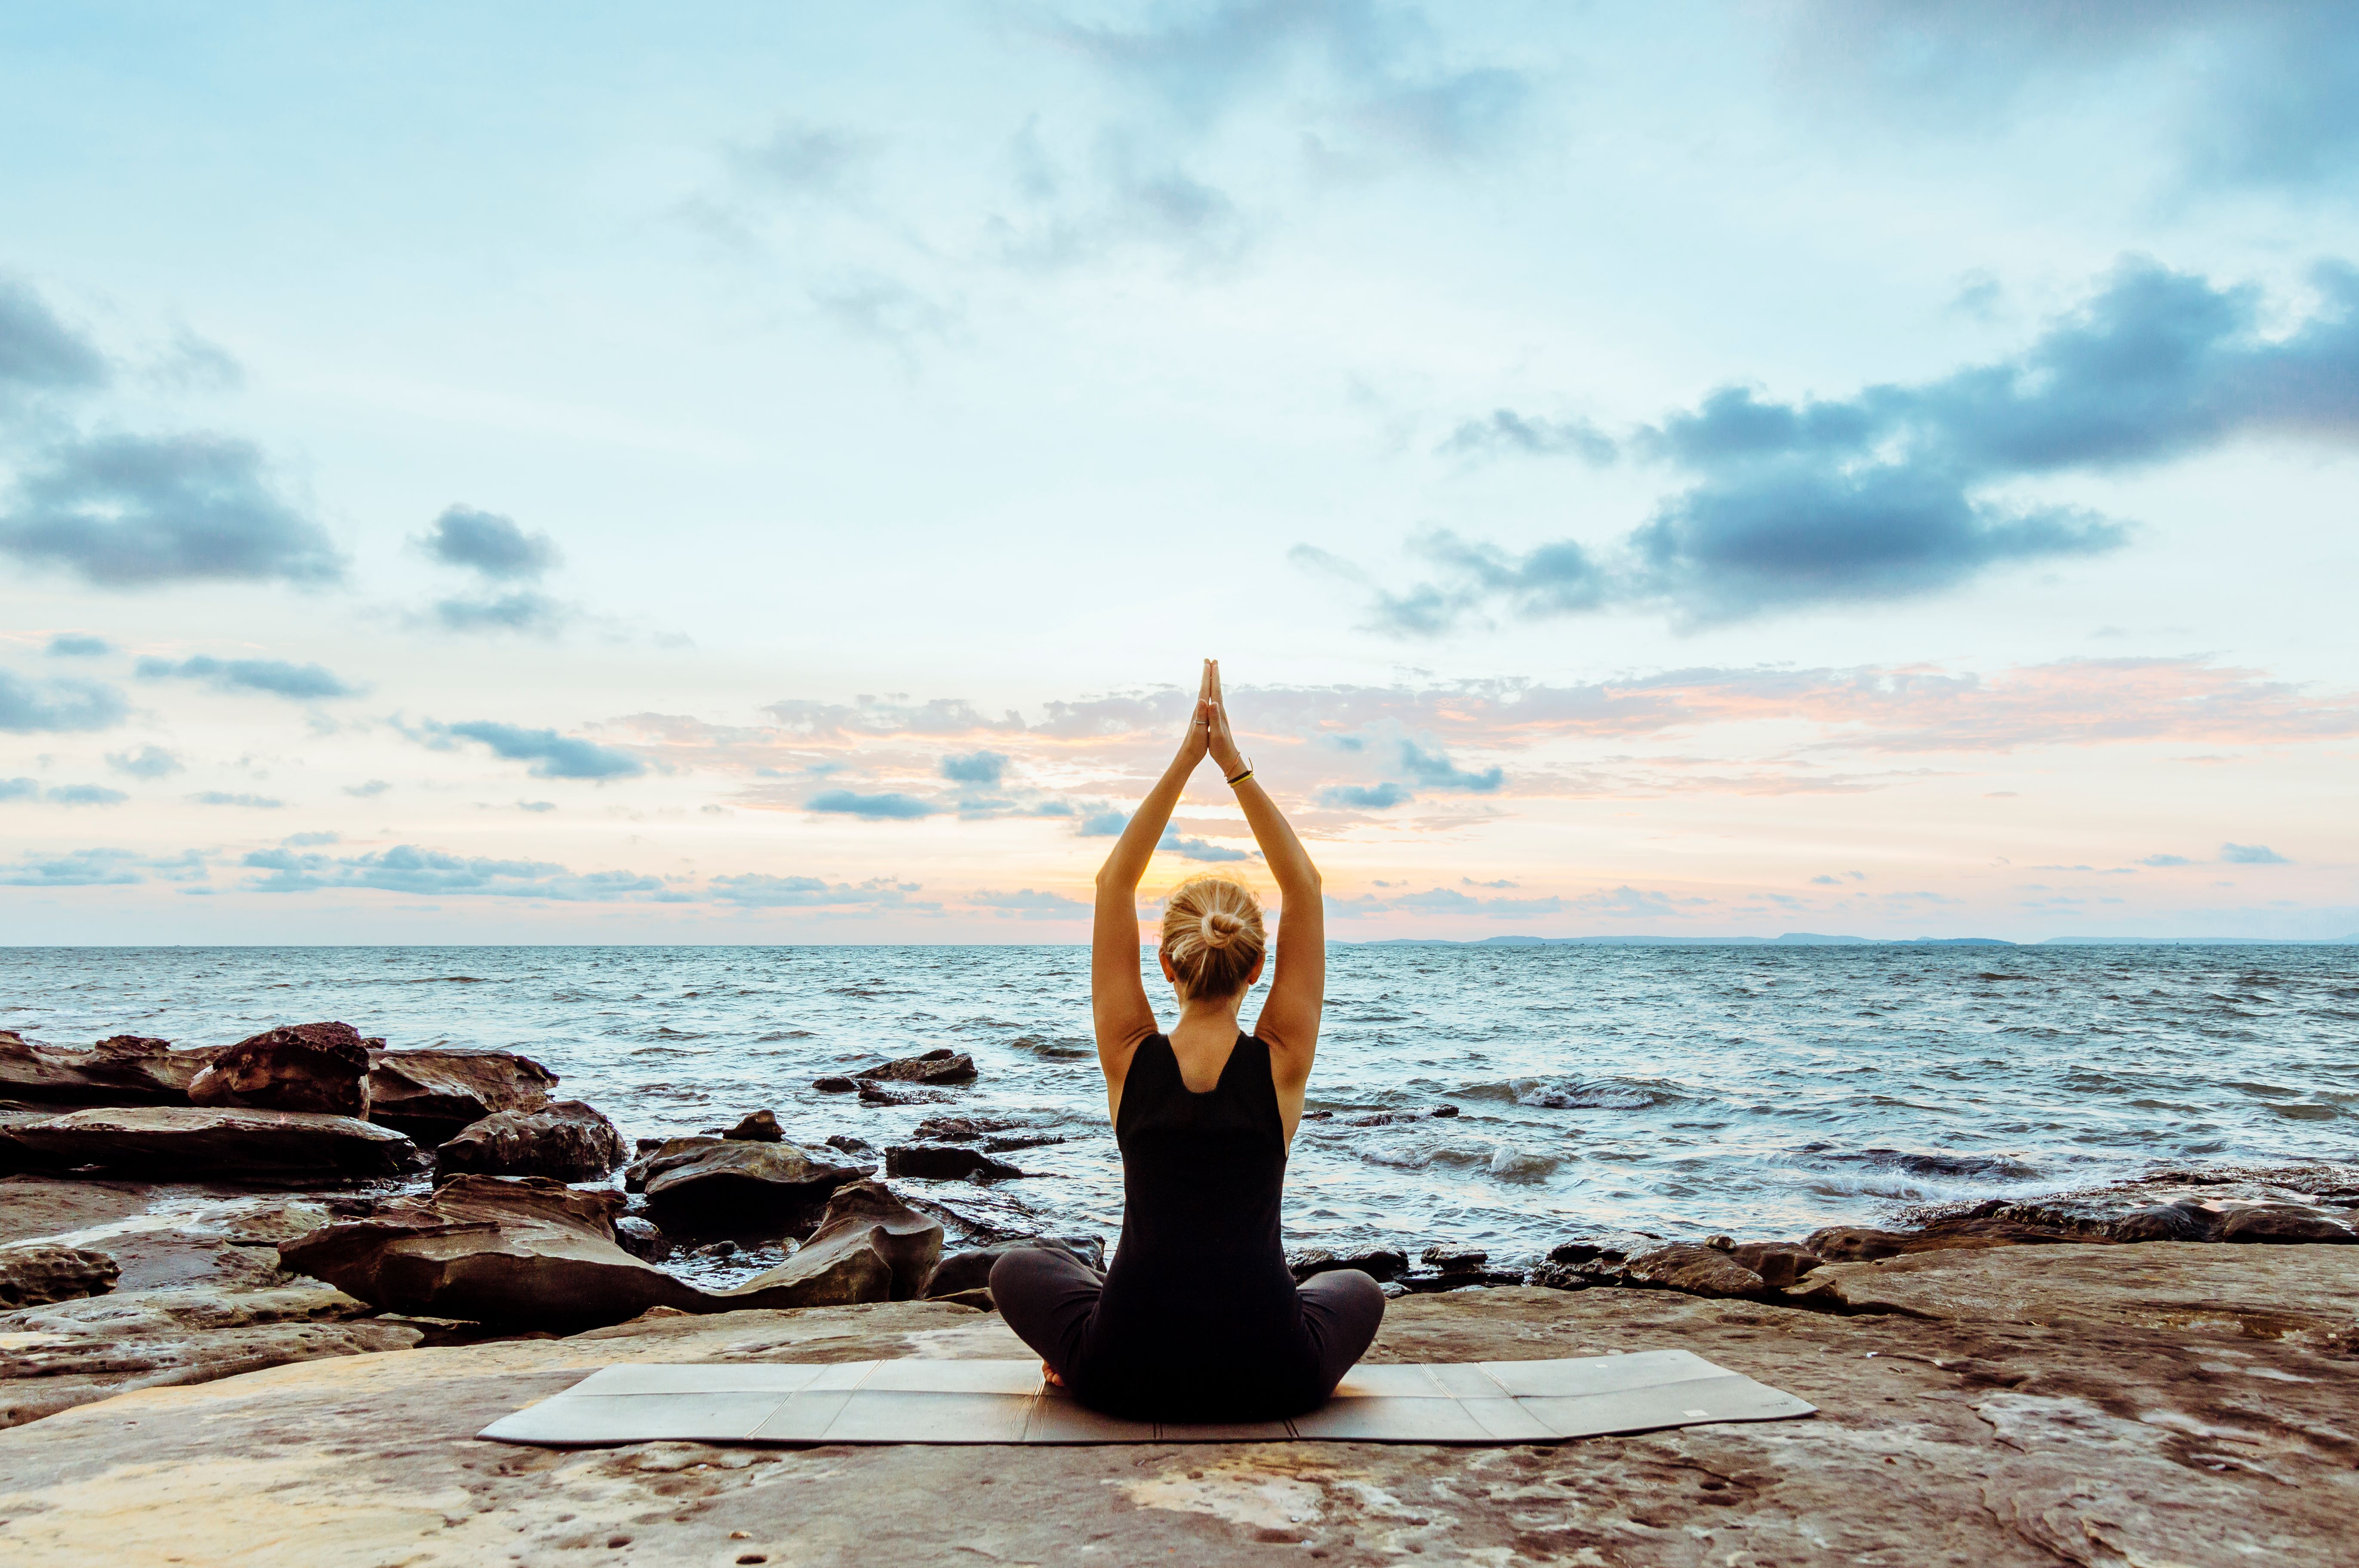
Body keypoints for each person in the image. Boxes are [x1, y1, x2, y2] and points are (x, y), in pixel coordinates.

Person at [990, 659, 1385, 1421]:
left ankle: (1071, 1361)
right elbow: (1305, 885)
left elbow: (1113, 884)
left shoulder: (1129, 1052)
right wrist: (1231, 762)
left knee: (1017, 1266)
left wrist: (1185, 757)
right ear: (1258, 966)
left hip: (1125, 1368)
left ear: (1164, 962)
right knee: (1357, 1288)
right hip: (1271, 1368)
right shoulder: (1281, 1061)